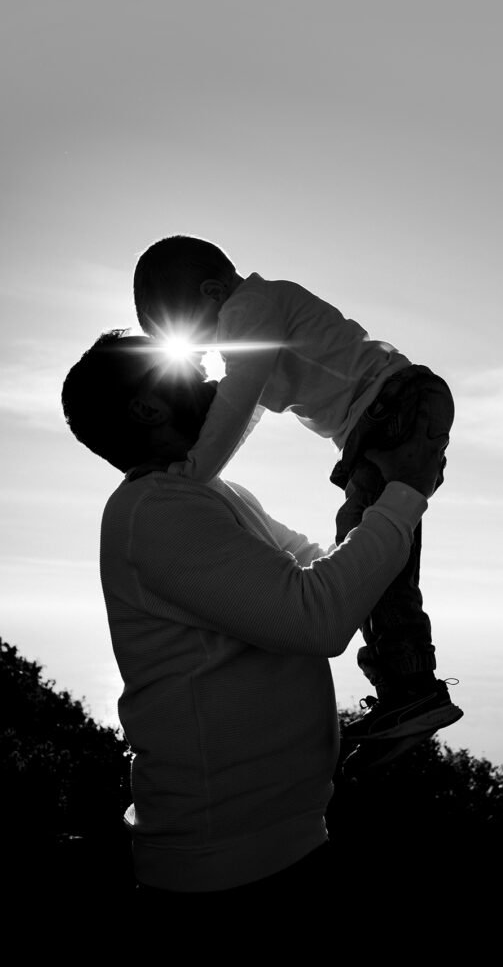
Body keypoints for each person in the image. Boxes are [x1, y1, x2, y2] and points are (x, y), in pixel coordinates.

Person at [60, 329, 447, 933]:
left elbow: (328, 567)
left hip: (270, 851)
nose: (215, 378)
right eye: (190, 368)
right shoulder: (154, 512)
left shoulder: (210, 494)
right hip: (224, 880)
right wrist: (403, 495)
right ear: (147, 407)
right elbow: (317, 616)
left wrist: (382, 493)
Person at [133, 235, 463, 772]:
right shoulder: (254, 320)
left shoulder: (252, 308)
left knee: (370, 547)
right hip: (387, 411)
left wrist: (192, 473)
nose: (201, 351)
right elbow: (249, 411)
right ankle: (408, 690)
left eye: (193, 335)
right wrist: (208, 468)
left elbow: (237, 397)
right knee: (375, 555)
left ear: (215, 292)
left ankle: (411, 690)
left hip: (391, 403)